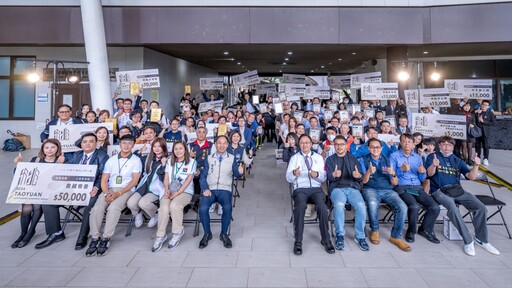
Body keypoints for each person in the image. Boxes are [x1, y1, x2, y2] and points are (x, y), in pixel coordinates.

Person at [426, 136, 500, 256]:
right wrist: (434, 165)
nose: (446, 147)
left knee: (480, 208)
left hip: (456, 190)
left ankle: (482, 239)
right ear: (439, 145)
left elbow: (471, 177)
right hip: (438, 191)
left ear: (453, 147)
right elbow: (429, 174)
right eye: (444, 144)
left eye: (449, 145)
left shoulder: (457, 160)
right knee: (453, 208)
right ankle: (468, 240)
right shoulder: (432, 156)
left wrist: (476, 166)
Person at [86, 135, 142, 256]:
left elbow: (134, 181)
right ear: (119, 144)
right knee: (97, 208)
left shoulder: (136, 160)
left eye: (129, 143)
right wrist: (106, 193)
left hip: (126, 189)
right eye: (124, 143)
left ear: (133, 145)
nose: (126, 145)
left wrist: (118, 193)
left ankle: (106, 238)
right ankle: (95, 237)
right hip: (109, 189)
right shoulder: (111, 160)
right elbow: (104, 179)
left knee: (113, 208)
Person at [11, 139, 65, 249]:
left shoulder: (61, 160)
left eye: (52, 147)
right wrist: (19, 165)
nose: (49, 150)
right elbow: (23, 175)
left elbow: (63, 180)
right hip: (34, 190)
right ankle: (23, 233)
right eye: (47, 148)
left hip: (50, 192)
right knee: (27, 207)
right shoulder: (36, 160)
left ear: (57, 148)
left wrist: (61, 165)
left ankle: (31, 231)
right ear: (43, 149)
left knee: (37, 205)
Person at [286, 135, 334, 255]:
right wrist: (294, 173)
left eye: (307, 142)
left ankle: (326, 239)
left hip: (316, 189)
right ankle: (298, 241)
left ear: (311, 144)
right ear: (299, 144)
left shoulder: (318, 157)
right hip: (300, 189)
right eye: (302, 143)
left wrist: (316, 175)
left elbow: (324, 177)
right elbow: (288, 178)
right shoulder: (294, 158)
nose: (305, 145)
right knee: (300, 207)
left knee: (322, 208)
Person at [359, 138, 410, 251]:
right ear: (368, 148)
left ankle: (396, 236)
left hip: (387, 190)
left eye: (377, 147)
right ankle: (375, 230)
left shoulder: (388, 160)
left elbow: (395, 183)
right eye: (372, 147)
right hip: (370, 189)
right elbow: (363, 181)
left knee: (402, 207)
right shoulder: (363, 160)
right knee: (372, 204)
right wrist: (368, 172)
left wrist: (393, 174)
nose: (375, 149)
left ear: (381, 148)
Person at [390, 133, 440, 244]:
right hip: (402, 187)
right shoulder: (394, 156)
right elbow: (391, 176)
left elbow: (422, 178)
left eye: (409, 141)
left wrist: (423, 172)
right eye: (404, 141)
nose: (407, 143)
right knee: (414, 206)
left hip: (417, 187)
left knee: (434, 207)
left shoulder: (418, 157)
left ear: (413, 144)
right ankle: (411, 231)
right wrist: (402, 170)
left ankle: (425, 229)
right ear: (400, 143)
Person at [64, 133, 109, 250]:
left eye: (91, 141)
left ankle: (82, 236)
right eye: (85, 141)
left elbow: (103, 175)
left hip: (92, 188)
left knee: (89, 205)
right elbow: (67, 169)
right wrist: (61, 162)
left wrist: (97, 187)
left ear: (96, 143)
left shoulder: (102, 156)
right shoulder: (77, 155)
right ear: (81, 144)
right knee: (49, 202)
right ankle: (55, 233)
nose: (87, 144)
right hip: (74, 187)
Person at [198, 135, 244, 249]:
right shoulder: (209, 158)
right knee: (203, 208)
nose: (222, 145)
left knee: (228, 208)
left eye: (224, 143)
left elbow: (236, 174)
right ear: (215, 144)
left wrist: (240, 172)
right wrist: (205, 189)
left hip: (225, 189)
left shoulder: (232, 158)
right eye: (219, 143)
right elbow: (203, 177)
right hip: (210, 189)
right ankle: (207, 234)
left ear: (227, 145)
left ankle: (223, 234)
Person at [325, 136, 369, 251]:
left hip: (352, 188)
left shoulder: (353, 158)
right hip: (337, 188)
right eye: (337, 145)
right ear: (334, 146)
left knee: (361, 206)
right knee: (339, 205)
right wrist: (334, 175)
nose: (339, 147)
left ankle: (360, 236)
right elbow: (328, 177)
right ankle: (340, 234)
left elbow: (359, 176)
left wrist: (358, 176)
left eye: (342, 144)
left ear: (346, 145)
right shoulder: (330, 159)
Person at [152, 141, 197, 251]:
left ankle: (177, 232)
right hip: (169, 190)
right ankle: (160, 235)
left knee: (175, 206)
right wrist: (167, 189)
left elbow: (188, 181)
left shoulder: (191, 162)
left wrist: (178, 192)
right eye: (175, 149)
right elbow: (166, 178)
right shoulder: (169, 162)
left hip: (185, 191)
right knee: (163, 208)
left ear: (185, 150)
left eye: (180, 148)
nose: (178, 151)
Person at [127, 137, 168, 229]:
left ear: (164, 148)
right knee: (131, 203)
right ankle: (137, 214)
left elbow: (164, 178)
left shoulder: (168, 160)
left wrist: (164, 165)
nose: (156, 148)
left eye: (159, 146)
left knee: (143, 203)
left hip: (157, 187)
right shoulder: (149, 158)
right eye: (154, 146)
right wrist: (140, 150)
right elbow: (134, 158)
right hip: (145, 185)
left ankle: (154, 215)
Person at [474, 100, 495, 166]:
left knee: (485, 145)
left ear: (488, 107)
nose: (484, 106)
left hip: (485, 132)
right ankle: (478, 158)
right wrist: (476, 112)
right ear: (481, 105)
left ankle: (486, 158)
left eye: (486, 105)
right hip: (477, 131)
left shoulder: (490, 113)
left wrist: (484, 121)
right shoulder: (477, 111)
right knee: (477, 145)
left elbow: (493, 123)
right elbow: (471, 114)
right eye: (483, 104)